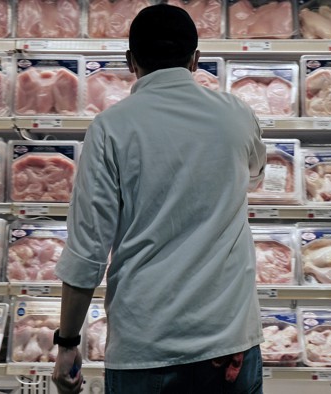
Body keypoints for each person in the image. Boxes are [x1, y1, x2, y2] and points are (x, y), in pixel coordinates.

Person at [51, 4, 267, 394]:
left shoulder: (110, 129)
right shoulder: (236, 114)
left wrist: (67, 343)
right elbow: (254, 178)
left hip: (146, 346)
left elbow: (88, 251)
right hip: (229, 341)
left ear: (131, 62)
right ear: (196, 60)